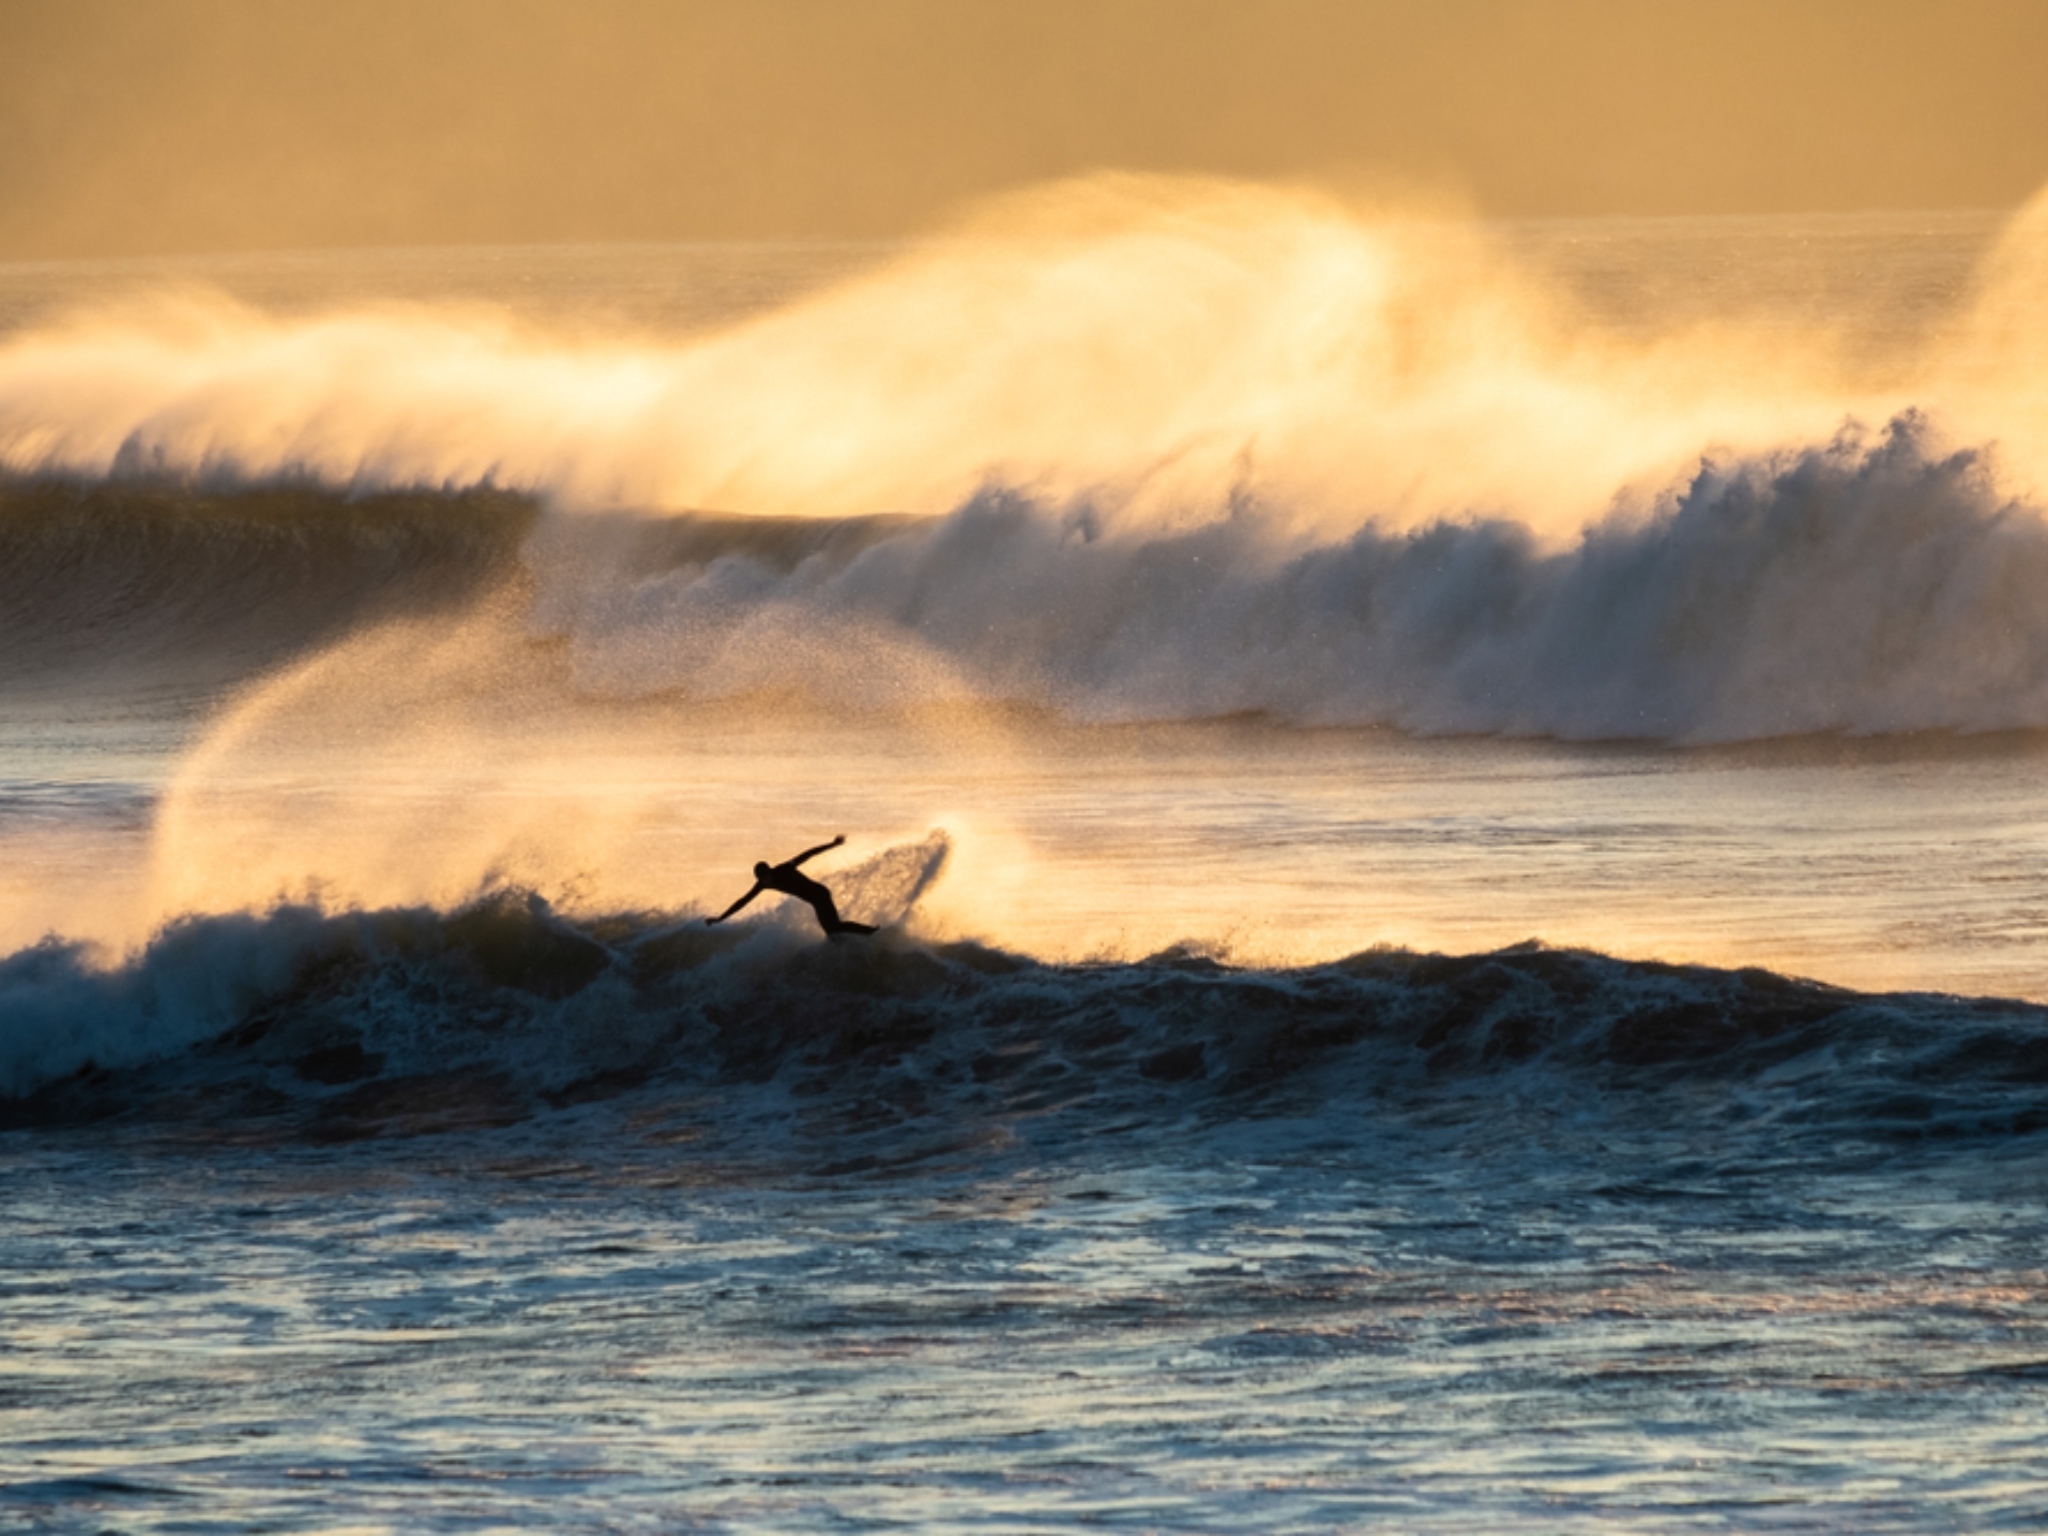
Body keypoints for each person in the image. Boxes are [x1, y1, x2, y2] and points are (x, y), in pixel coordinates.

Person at [706, 835, 877, 936]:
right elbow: (742, 901)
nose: (765, 883)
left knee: (834, 928)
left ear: (769, 871)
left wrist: (832, 844)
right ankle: (861, 940)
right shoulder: (762, 884)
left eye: (765, 878)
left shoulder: (784, 869)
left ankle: (871, 932)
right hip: (815, 901)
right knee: (832, 933)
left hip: (820, 895)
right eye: (761, 880)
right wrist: (720, 918)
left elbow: (808, 854)